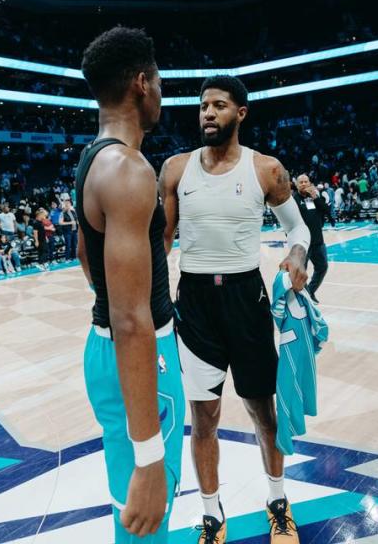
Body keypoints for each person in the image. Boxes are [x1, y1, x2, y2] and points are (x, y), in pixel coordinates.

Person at [159, 75, 309, 543]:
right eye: (203, 105)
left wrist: (298, 256)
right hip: (196, 305)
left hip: (247, 300)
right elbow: (161, 243)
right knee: (203, 419)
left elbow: (299, 231)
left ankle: (277, 501)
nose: (208, 112)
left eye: (219, 105)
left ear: (240, 114)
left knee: (264, 413)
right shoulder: (176, 170)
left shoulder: (266, 170)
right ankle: (210, 514)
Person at [75, 26, 185, 542]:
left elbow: (84, 254)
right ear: (142, 83)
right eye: (159, 80)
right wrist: (148, 457)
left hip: (111, 352)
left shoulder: (92, 157)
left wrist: (122, 292)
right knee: (147, 516)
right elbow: (130, 318)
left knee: (135, 515)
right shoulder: (128, 169)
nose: (162, 91)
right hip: (140, 356)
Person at [294, 174, 330, 302]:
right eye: (301, 182)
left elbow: (327, 211)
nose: (303, 184)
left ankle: (310, 292)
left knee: (323, 267)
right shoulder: (293, 199)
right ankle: (303, 297)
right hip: (302, 243)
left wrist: (316, 198)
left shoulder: (313, 197)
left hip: (317, 241)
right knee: (301, 272)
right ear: (297, 185)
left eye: (306, 182)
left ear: (309, 183)